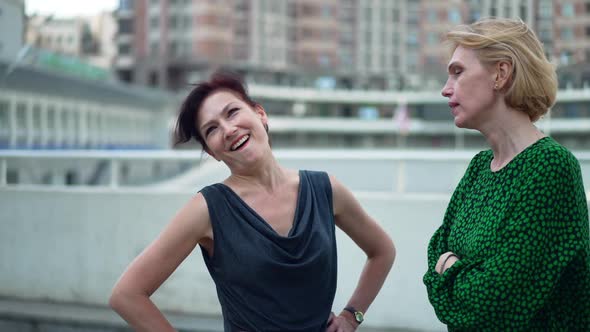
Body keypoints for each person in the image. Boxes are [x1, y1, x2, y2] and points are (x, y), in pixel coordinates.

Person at [109, 71, 396, 332]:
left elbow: (382, 250)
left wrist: (351, 316)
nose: (228, 129)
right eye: (212, 129)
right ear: (213, 154)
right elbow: (127, 294)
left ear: (260, 114)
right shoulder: (208, 209)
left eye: (232, 112)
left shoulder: (324, 189)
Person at [423, 18, 590, 330]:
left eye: (458, 72)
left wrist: (448, 266)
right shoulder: (479, 169)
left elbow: (494, 305)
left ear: (501, 73)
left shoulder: (550, 168)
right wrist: (452, 268)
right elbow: (435, 250)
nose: (446, 90)